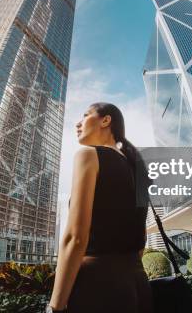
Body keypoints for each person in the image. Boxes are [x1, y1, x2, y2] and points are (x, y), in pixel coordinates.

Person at [47, 102, 153, 313]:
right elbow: (141, 240)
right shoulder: (138, 169)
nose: (78, 123)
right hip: (138, 285)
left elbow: (75, 238)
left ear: (105, 120)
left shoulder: (88, 155)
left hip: (96, 288)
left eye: (85, 116)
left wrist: (55, 307)